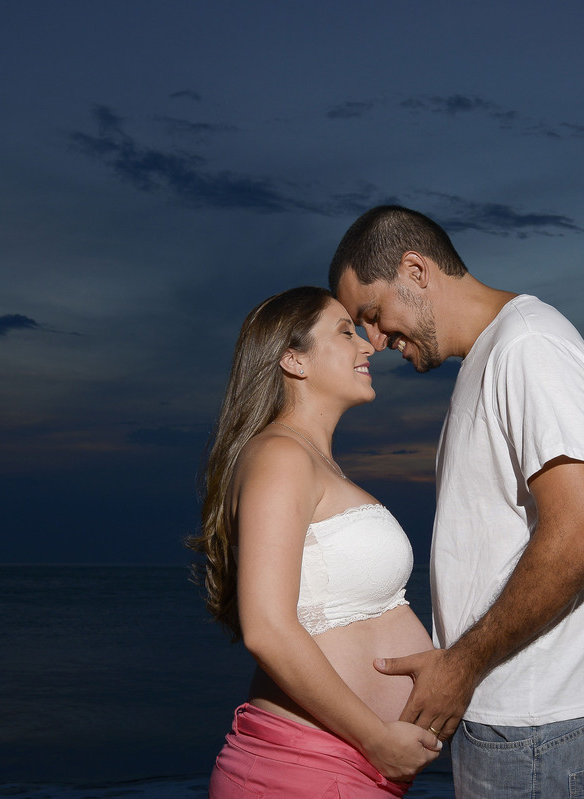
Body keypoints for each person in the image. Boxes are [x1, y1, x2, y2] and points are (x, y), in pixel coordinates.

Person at [330, 207, 584, 798]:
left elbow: (583, 535)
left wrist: (461, 666)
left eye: (372, 314)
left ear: (415, 270)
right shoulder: (491, 358)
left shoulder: (530, 346)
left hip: (537, 720)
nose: (374, 339)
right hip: (512, 717)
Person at [188, 286, 442, 798]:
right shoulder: (281, 456)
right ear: (293, 360)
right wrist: (377, 740)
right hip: (304, 766)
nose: (368, 345)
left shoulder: (311, 461)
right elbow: (267, 628)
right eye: (346, 332)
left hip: (338, 767)